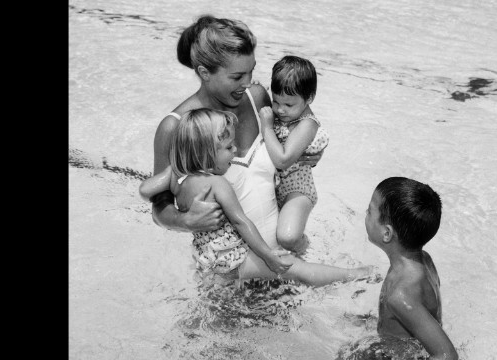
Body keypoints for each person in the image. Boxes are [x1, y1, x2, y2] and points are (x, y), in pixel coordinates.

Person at [140, 108, 372, 285]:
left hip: (207, 263)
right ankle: (354, 275)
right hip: (234, 263)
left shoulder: (176, 180)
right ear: (207, 153)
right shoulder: (217, 184)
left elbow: (145, 191)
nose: (234, 153)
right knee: (295, 268)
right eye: (229, 147)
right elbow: (242, 223)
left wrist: (171, 171)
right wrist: (269, 256)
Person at [149, 15, 317, 258]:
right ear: (205, 72)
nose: (247, 83)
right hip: (229, 273)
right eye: (237, 77)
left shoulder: (257, 98)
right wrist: (187, 220)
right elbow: (159, 210)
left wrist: (308, 150)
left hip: (285, 260)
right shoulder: (175, 128)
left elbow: (290, 148)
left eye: (251, 71)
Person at [363, 177, 458, 360]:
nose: (365, 213)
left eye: (369, 211)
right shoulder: (424, 260)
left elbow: (447, 356)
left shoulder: (400, 296)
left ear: (387, 233)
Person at [258, 55, 329, 254]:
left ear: (309, 99)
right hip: (276, 188)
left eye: (289, 105)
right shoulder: (286, 110)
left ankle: (305, 249)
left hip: (297, 190)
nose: (280, 110)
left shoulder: (307, 124)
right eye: (276, 101)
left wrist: (267, 128)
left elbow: (283, 159)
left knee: (287, 238)